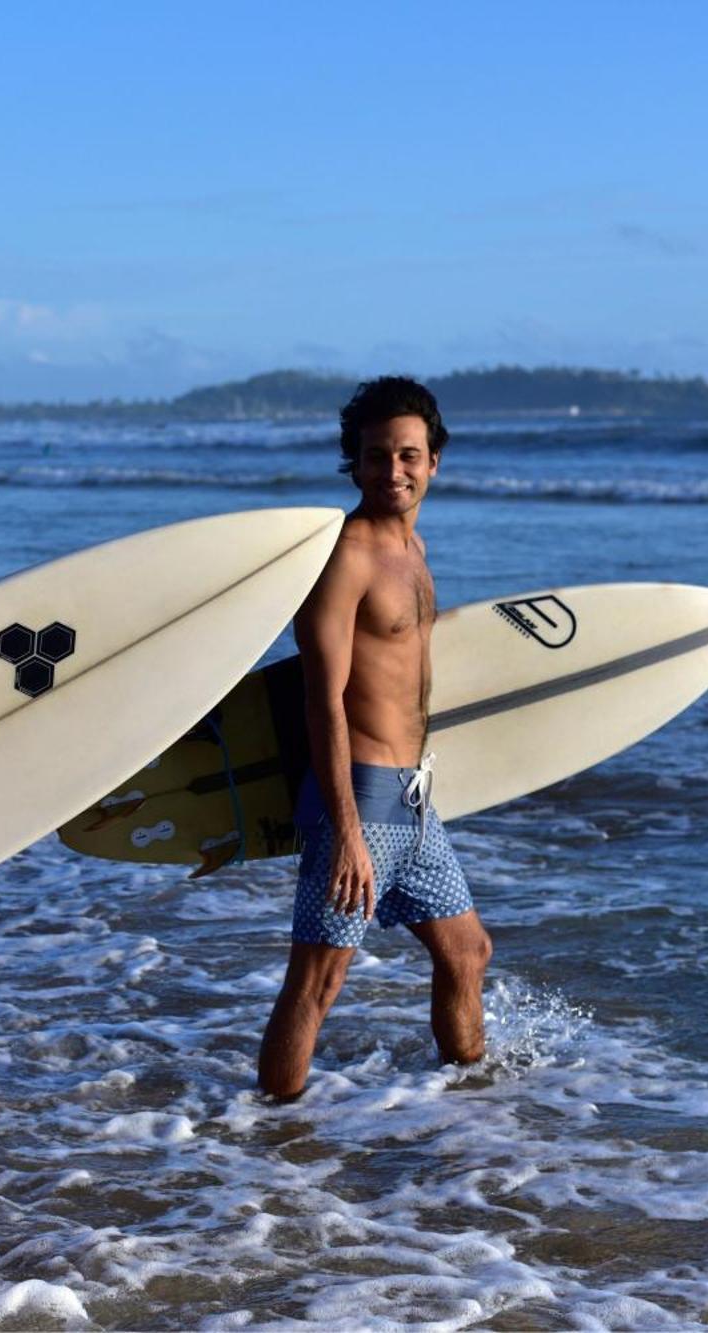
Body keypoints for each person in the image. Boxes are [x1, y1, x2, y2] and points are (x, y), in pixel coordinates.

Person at [256, 376, 493, 1099]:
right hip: (359, 797)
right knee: (318, 981)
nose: (393, 469)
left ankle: (467, 1102)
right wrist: (349, 828)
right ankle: (269, 1131)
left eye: (408, 455)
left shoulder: (414, 549)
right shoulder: (348, 556)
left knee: (467, 951)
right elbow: (321, 700)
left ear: (434, 462)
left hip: (413, 799)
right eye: (377, 455)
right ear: (354, 463)